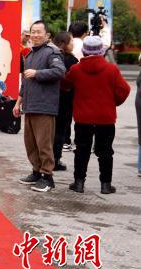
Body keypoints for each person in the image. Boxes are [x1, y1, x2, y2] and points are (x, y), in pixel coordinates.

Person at [64, 36, 130, 194]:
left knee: (82, 150)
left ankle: (79, 183)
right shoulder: (112, 69)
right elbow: (124, 90)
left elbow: (64, 85)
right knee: (106, 151)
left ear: (84, 51)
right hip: (105, 117)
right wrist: (113, 103)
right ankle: (106, 185)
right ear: (101, 51)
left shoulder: (76, 69)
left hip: (83, 117)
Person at [13, 20, 66, 192]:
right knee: (31, 143)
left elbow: (60, 71)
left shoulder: (52, 52)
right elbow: (25, 82)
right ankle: (36, 172)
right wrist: (18, 102)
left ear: (47, 35)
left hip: (44, 106)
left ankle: (47, 177)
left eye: (38, 32)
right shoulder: (29, 54)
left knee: (44, 144)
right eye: (33, 32)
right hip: (30, 105)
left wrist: (37, 73)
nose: (35, 35)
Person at [52, 31, 79, 169]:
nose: (73, 44)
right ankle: (55, 160)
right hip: (65, 101)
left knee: (49, 132)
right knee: (60, 131)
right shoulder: (72, 61)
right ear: (63, 44)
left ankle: (47, 159)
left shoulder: (50, 56)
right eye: (71, 41)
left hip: (49, 99)